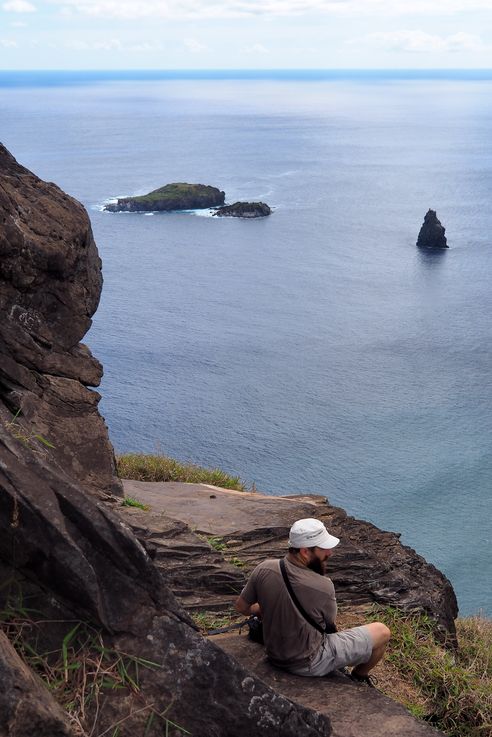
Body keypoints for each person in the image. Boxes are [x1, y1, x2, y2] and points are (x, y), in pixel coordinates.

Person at [235, 517, 390, 685]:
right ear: (305, 552)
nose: (329, 553)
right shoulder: (323, 586)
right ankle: (359, 677)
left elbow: (242, 607)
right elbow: (328, 623)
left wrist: (265, 607)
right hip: (309, 662)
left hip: (274, 654)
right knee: (382, 632)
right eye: (324, 549)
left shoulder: (264, 568)